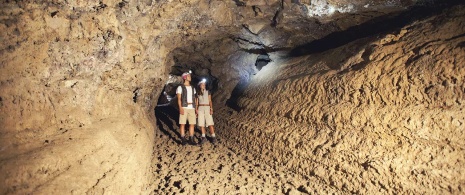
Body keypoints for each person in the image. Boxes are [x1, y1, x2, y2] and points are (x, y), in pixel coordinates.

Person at [176, 72, 197, 145]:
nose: (190, 77)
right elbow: (179, 99)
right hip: (184, 107)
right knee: (182, 124)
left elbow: (195, 98)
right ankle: (183, 139)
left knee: (192, 124)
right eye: (188, 76)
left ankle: (191, 139)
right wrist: (180, 108)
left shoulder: (193, 87)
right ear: (185, 77)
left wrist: (196, 108)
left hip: (192, 108)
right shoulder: (180, 87)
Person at [195, 79, 217, 144]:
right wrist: (196, 110)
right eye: (202, 84)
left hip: (207, 107)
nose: (204, 85)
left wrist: (211, 108)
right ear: (199, 86)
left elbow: (210, 101)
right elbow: (196, 103)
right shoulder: (197, 94)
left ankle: (213, 137)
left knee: (210, 123)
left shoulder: (208, 92)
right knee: (201, 124)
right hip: (200, 108)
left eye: (204, 84)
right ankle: (203, 138)